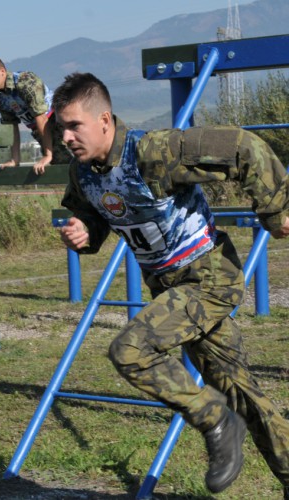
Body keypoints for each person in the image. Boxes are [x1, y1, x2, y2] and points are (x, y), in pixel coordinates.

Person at [53, 72, 289, 496]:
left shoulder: (153, 152)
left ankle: (214, 419)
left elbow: (243, 146)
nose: (66, 136)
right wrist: (83, 232)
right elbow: (92, 216)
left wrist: (274, 212)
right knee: (240, 392)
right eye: (61, 127)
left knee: (130, 350)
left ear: (104, 120)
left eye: (74, 125)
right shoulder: (83, 174)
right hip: (169, 288)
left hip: (207, 277)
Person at [0, 56, 68, 174]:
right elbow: (11, 127)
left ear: (2, 72)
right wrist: (15, 160)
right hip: (40, 131)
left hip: (58, 122)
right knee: (63, 166)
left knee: (80, 162)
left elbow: (41, 117)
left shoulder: (25, 82)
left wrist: (47, 155)